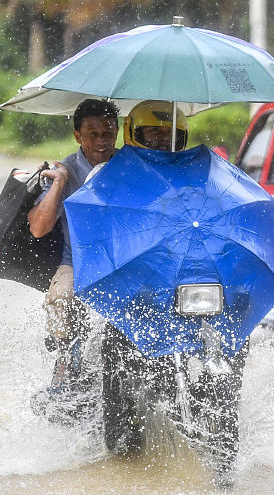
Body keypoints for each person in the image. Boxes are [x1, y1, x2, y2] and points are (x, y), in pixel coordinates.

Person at [28, 98, 119, 418]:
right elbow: (39, 228)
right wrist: (60, 184)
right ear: (78, 136)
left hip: (125, 261)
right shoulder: (65, 170)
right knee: (61, 296)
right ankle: (65, 361)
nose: (102, 141)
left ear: (118, 132)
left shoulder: (131, 166)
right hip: (76, 262)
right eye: (93, 134)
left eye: (108, 133)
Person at [122, 100, 189, 152]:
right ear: (129, 133)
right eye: (154, 131)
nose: (164, 137)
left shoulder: (189, 167)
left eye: (171, 132)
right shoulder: (119, 167)